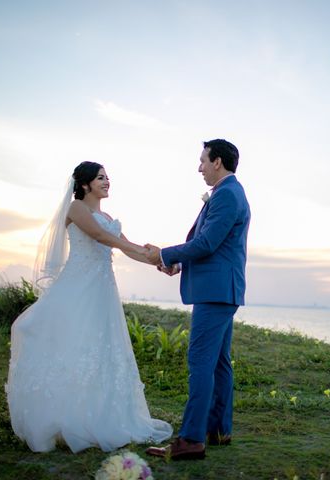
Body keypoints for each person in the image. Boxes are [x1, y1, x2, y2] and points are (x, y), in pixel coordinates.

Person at [6, 161, 172, 453]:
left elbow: (124, 243)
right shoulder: (77, 209)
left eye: (108, 177)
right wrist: (136, 249)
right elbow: (101, 237)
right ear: (85, 184)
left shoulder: (106, 215)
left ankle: (99, 416)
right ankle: (63, 418)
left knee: (102, 348)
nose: (107, 182)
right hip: (77, 287)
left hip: (102, 291)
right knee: (73, 345)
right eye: (100, 178)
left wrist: (160, 259)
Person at [144, 139, 250, 460]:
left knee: (200, 363)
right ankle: (218, 430)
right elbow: (206, 243)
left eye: (203, 160)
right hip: (220, 289)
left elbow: (206, 243)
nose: (199, 166)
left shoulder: (229, 194)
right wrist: (178, 262)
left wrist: (164, 253)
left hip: (216, 292)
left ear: (217, 161)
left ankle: (191, 440)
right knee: (219, 363)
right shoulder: (227, 193)